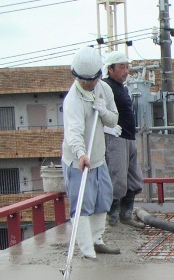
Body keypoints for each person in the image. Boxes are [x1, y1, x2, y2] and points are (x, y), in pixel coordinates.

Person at [61, 46, 120, 258]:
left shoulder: (104, 90)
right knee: (82, 206)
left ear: (99, 75)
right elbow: (73, 132)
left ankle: (97, 240)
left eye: (91, 80)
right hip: (79, 160)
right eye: (83, 80)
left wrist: (102, 109)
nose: (87, 83)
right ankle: (87, 251)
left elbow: (113, 119)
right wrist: (80, 154)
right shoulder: (73, 100)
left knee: (102, 200)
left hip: (98, 157)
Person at [102, 50, 145, 229]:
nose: (126, 71)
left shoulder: (123, 87)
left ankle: (125, 215)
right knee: (117, 180)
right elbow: (97, 111)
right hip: (115, 138)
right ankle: (112, 219)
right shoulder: (104, 86)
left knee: (134, 180)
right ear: (110, 69)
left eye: (127, 67)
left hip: (129, 137)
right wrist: (107, 128)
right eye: (121, 67)